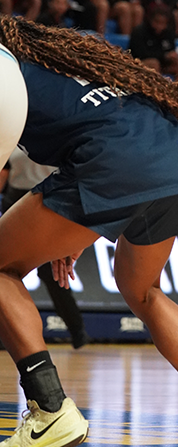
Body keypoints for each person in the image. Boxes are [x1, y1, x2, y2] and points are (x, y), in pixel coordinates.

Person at [0, 16, 178, 447]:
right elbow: (92, 125)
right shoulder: (69, 56)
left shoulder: (5, 67)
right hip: (169, 157)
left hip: (112, 163)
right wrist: (78, 228)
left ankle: (50, 409)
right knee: (144, 291)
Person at [2, 147, 90, 350]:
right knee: (5, 268)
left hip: (45, 198)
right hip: (15, 198)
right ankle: (6, 333)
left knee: (51, 271)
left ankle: (77, 330)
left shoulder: (54, 129)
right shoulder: (13, 133)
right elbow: (4, 170)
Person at [128, 2, 178, 86]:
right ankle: (155, 93)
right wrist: (164, 55)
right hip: (139, 64)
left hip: (163, 64)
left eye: (163, 23)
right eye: (157, 22)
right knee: (154, 63)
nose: (159, 26)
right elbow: (139, 54)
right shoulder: (139, 32)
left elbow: (170, 49)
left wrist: (173, 57)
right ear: (150, 20)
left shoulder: (168, 33)